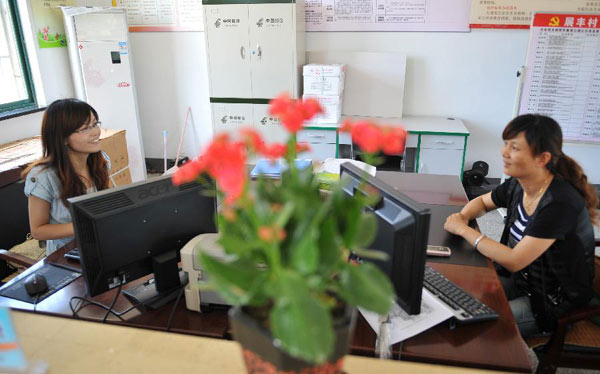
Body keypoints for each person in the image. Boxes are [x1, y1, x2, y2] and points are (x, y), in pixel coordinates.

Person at [444, 114, 597, 337]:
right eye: (506, 144)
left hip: (549, 300)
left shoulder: (559, 203)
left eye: (514, 148)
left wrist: (463, 230)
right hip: (521, 280)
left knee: (472, 326)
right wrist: (464, 217)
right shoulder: (518, 184)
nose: (504, 153)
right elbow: (482, 202)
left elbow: (515, 260)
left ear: (542, 159)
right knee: (455, 300)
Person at [23, 99, 110, 255]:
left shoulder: (101, 161)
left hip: (100, 241)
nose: (95, 132)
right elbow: (37, 230)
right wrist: (86, 226)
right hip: (68, 253)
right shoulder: (42, 177)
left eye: (95, 124)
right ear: (63, 138)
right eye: (84, 128)